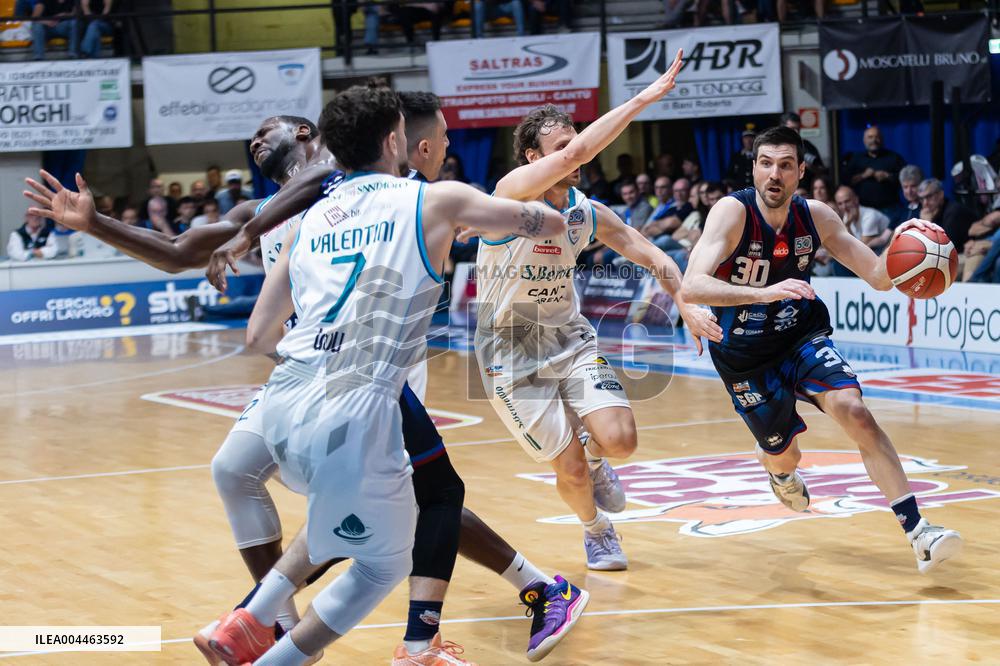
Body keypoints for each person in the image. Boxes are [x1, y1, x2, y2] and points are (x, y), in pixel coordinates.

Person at [28, 110, 588, 664]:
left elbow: (323, 182)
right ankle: (280, 624)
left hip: (372, 372)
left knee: (412, 503)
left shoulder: (342, 178)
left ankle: (299, 623)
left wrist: (249, 234)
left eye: (262, 130)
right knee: (236, 471)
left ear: (301, 134)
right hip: (308, 372)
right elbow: (178, 254)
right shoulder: (266, 210)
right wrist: (95, 224)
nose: (251, 140)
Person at [204, 83, 568, 666]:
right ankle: (297, 647)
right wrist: (533, 208)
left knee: (367, 516)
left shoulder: (306, 221)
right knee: (387, 557)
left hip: (284, 396)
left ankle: (253, 614)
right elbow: (544, 223)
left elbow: (256, 337)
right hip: (361, 398)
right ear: (396, 138)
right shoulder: (434, 200)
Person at [472, 50, 721, 572]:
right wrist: (643, 98)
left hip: (568, 339)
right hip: (509, 351)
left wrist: (683, 300)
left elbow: (648, 251)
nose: (576, 156)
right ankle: (596, 530)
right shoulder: (507, 201)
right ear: (529, 157)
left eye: (575, 143)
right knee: (571, 470)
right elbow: (570, 157)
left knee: (621, 440)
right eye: (562, 148)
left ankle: (596, 449)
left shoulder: (585, 213)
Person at [680, 125, 963, 574]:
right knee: (783, 453)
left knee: (855, 409)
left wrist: (908, 246)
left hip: (798, 335)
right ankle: (779, 470)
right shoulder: (731, 213)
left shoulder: (816, 216)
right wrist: (765, 293)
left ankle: (919, 531)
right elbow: (692, 284)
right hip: (743, 355)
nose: (775, 174)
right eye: (766, 163)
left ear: (801, 173)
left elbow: (877, 276)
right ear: (754, 168)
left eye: (786, 165)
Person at [844, 125, 905, 211]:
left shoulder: (894, 158)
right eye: (870, 137)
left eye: (877, 137)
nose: (874, 140)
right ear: (864, 140)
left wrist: (888, 176)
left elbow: (905, 180)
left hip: (889, 208)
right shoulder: (856, 159)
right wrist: (863, 175)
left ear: (882, 139)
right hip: (863, 209)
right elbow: (847, 181)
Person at [917, 178, 976, 257]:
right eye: (922, 199)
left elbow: (945, 248)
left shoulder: (953, 212)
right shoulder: (931, 211)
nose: (925, 203)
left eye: (929, 196)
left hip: (967, 252)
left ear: (941, 194)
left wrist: (928, 224)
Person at [834, 185, 891, 251]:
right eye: (840, 204)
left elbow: (861, 249)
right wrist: (847, 226)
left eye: (847, 201)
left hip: (887, 250)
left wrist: (847, 226)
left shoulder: (870, 216)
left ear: (856, 200)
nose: (844, 207)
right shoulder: (847, 217)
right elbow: (849, 245)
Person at [780, 112, 826, 186]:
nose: (796, 132)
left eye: (798, 129)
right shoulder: (775, 147)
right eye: (792, 128)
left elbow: (822, 171)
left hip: (806, 191)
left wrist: (811, 167)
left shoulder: (807, 146)